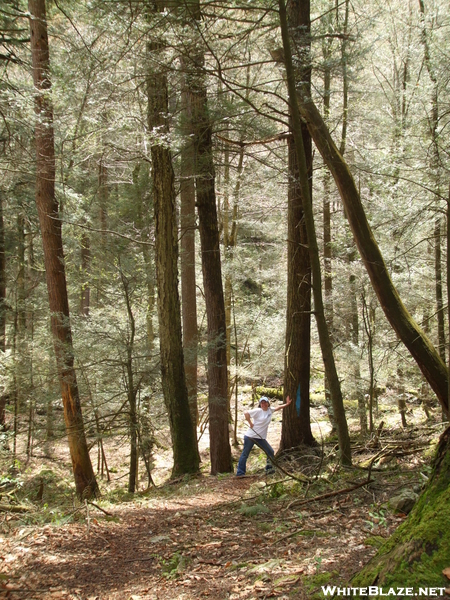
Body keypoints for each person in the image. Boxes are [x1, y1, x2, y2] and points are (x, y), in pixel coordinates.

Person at [236, 395, 292, 477]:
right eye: (262, 403)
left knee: (270, 451)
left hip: (260, 438)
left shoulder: (270, 410)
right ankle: (240, 473)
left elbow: (278, 407)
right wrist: (250, 423)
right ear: (260, 404)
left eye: (265, 402)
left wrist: (287, 404)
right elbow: (246, 413)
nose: (263, 404)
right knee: (245, 454)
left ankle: (269, 470)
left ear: (268, 403)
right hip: (250, 436)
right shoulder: (258, 411)